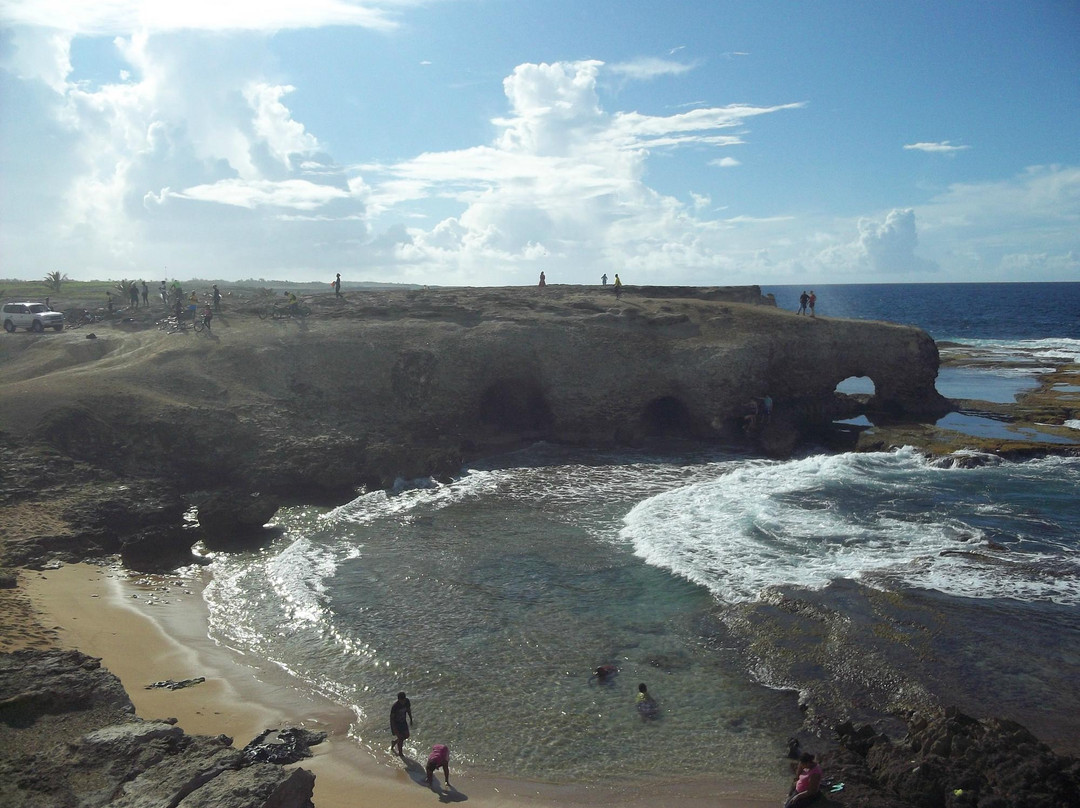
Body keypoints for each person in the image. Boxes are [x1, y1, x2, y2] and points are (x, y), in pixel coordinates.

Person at [389, 691, 412, 756]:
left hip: (403, 722)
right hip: (396, 723)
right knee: (400, 738)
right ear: (398, 700)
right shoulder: (395, 706)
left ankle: (394, 742)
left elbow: (408, 710)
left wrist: (411, 719)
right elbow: (392, 718)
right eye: (401, 701)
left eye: (403, 700)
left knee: (406, 735)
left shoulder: (407, 702)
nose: (403, 702)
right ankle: (400, 753)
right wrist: (393, 728)